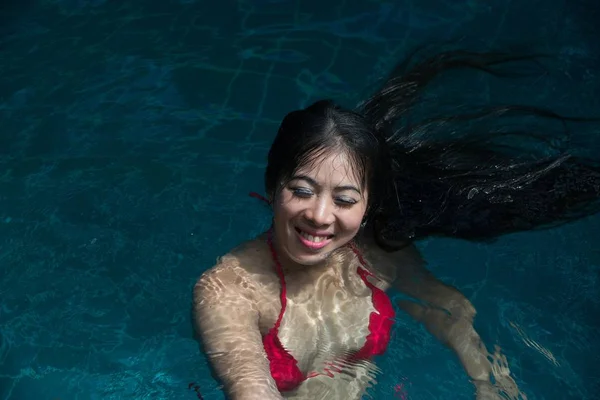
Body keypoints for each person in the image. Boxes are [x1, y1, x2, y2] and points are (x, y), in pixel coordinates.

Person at [192, 49, 600, 400]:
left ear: (368, 207)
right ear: (272, 186)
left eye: (345, 200)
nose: (319, 215)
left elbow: (449, 307)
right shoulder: (231, 290)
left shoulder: (373, 250)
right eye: (302, 190)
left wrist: (489, 381)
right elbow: (250, 386)